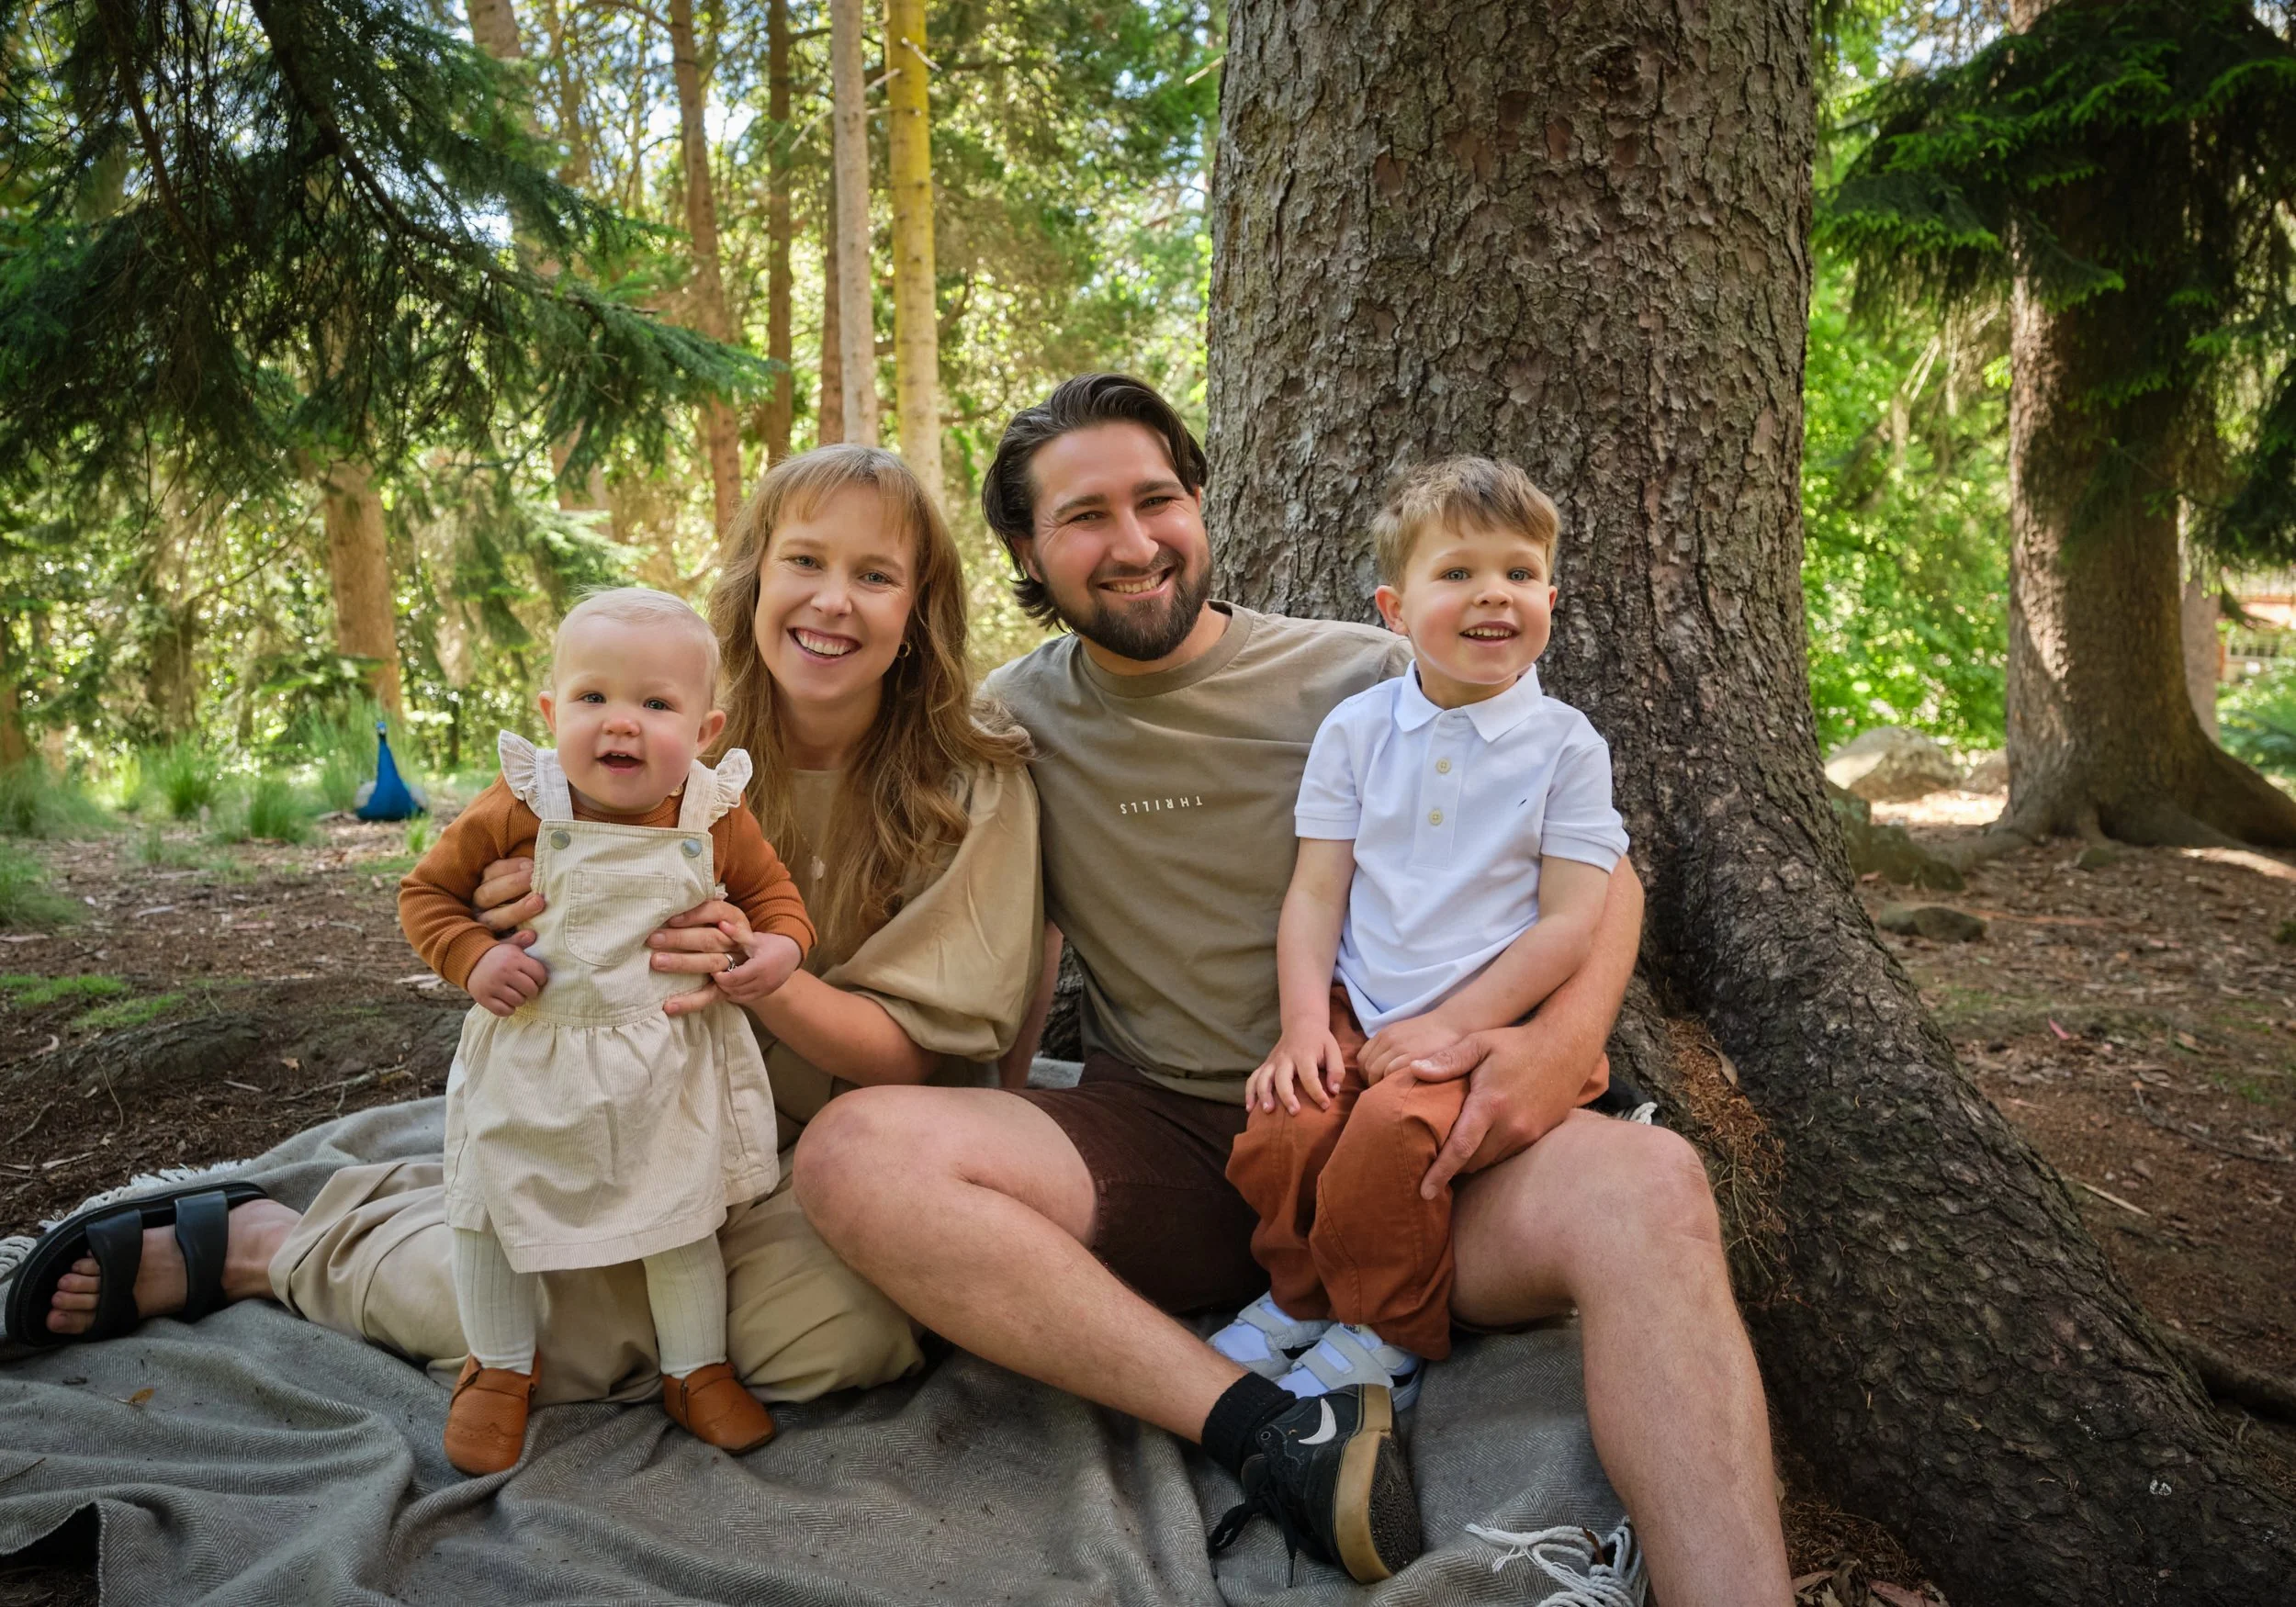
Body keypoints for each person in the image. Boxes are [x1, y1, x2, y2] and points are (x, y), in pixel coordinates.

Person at [794, 376, 1794, 1598]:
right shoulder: (1012, 720)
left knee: (1654, 1185)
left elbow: (1603, 870)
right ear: (1028, 550)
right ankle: (1271, 1427)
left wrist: (1556, 1045)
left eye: (1158, 498)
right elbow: (866, 825)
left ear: (1201, 505)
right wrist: (580, 844)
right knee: (857, 1155)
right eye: (1085, 515)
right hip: (1167, 1141)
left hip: (1412, 1137)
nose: (1135, 540)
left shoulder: (1366, 676)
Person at [28, 445, 1042, 1422]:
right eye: (805, 562)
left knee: (841, 1336)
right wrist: (518, 907)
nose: (832, 599)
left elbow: (918, 1051)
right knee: (556, 1338)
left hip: (836, 1157)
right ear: (754, 582)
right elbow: (468, 884)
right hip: (633, 1109)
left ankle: (488, 1261)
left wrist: (758, 970)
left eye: (875, 574)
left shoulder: (969, 780)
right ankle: (278, 1240)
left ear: (917, 613)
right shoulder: (651, 740)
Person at [1213, 457, 1626, 1416]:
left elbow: (1572, 920)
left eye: (1519, 574)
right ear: (1394, 609)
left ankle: (1385, 1327)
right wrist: (1303, 1025)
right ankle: (1297, 1297)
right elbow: (1315, 894)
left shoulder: (1567, 746)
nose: (1494, 593)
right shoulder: (1356, 731)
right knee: (1286, 1122)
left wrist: (1454, 1023)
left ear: (1550, 598)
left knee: (1392, 1138)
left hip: (1486, 1018)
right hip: (1359, 999)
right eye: (1458, 573)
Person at [400, 588, 815, 1472]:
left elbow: (780, 903)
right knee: (487, 1210)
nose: (620, 725)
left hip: (661, 1061)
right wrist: (472, 957)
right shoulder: (523, 801)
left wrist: (776, 951)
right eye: (593, 699)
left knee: (680, 1215)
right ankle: (500, 1368)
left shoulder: (710, 812)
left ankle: (694, 1367)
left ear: (704, 730)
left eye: (655, 704)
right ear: (552, 713)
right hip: (536, 1051)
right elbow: (425, 895)